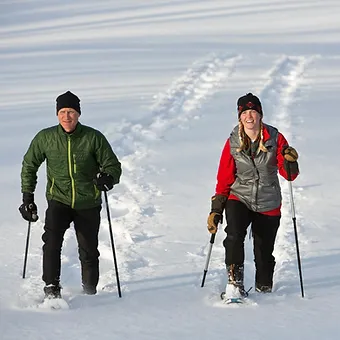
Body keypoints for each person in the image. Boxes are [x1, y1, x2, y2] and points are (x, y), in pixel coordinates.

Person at [19, 91, 122, 299]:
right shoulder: (45, 138)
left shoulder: (93, 137)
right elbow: (29, 165)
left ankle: (90, 291)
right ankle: (51, 289)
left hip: (88, 202)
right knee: (51, 243)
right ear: (57, 114)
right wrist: (27, 197)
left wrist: (108, 178)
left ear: (79, 114)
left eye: (72, 112)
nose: (67, 117)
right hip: (59, 199)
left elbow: (113, 165)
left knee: (89, 250)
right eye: (63, 112)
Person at [207, 93, 299, 297]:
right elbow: (224, 177)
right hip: (239, 196)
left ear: (260, 115)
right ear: (240, 117)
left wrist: (289, 160)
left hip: (268, 200)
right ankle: (234, 283)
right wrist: (216, 208)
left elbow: (289, 175)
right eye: (245, 113)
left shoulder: (275, 138)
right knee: (233, 236)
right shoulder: (233, 141)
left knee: (263, 252)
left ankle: (264, 288)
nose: (249, 117)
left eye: (253, 112)